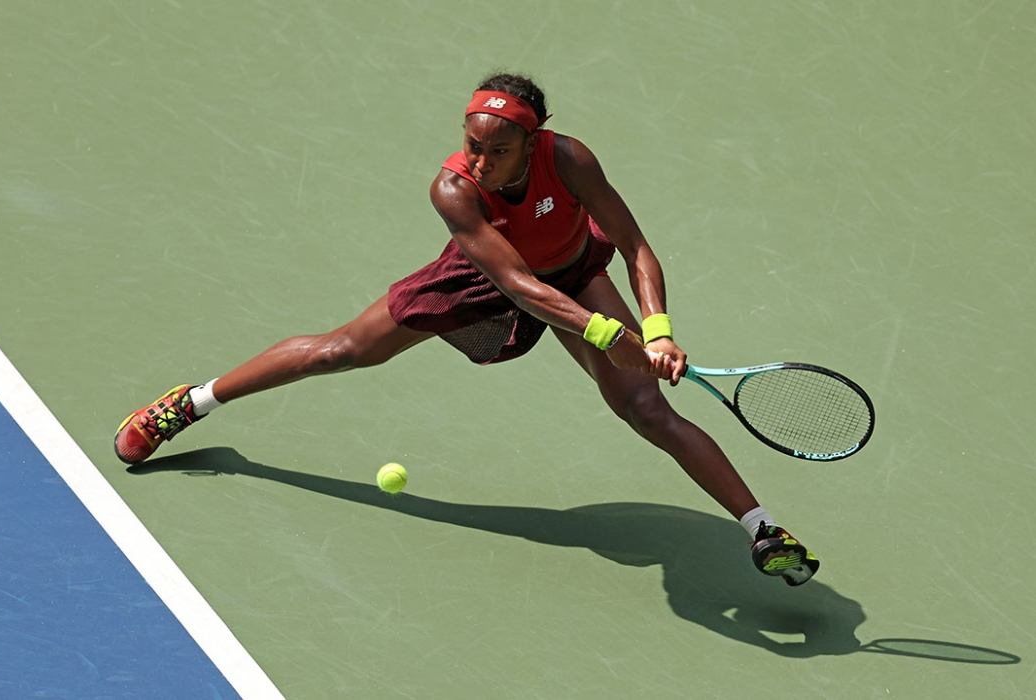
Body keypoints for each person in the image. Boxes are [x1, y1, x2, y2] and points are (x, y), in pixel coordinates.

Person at [114, 73, 819, 586]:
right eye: (472, 144)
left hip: (576, 272)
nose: (480, 160)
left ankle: (763, 530)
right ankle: (194, 400)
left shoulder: (569, 158)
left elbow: (634, 244)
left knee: (646, 407)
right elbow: (518, 286)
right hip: (486, 275)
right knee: (344, 351)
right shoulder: (454, 189)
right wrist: (612, 337)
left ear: (531, 141)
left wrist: (657, 330)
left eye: (498, 150)